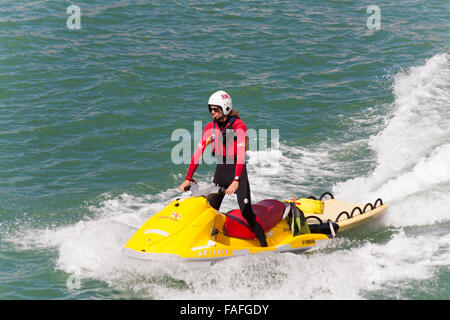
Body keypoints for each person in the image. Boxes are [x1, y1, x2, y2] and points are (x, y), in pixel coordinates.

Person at [178, 90, 268, 247]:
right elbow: (197, 153)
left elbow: (241, 155)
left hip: (237, 172)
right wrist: (188, 178)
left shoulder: (239, 126)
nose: (212, 113)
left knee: (246, 211)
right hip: (221, 172)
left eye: (215, 109)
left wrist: (236, 181)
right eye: (210, 109)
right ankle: (206, 244)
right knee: (210, 211)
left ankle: (265, 245)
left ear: (225, 108)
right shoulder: (209, 128)